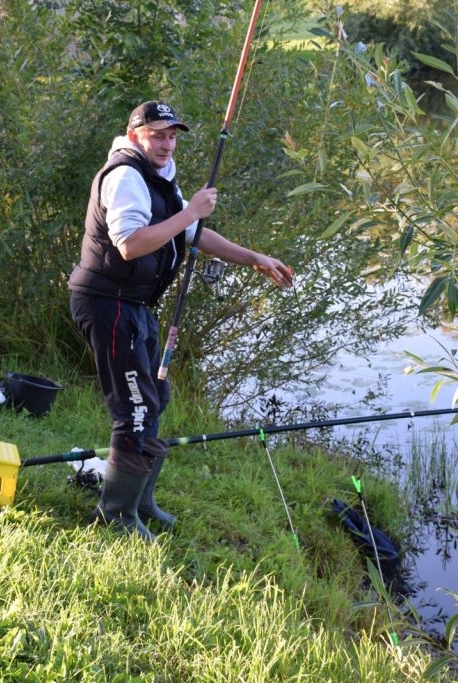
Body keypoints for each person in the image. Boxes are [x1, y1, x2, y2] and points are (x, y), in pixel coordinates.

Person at [68, 100, 293, 541]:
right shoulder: (125, 176)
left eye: (172, 136)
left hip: (135, 306)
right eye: (158, 135)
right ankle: (115, 514)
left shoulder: (158, 176)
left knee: (157, 396)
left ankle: (140, 502)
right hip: (106, 302)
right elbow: (131, 245)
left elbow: (192, 234)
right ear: (135, 136)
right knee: (134, 408)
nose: (167, 144)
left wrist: (255, 258)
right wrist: (190, 211)